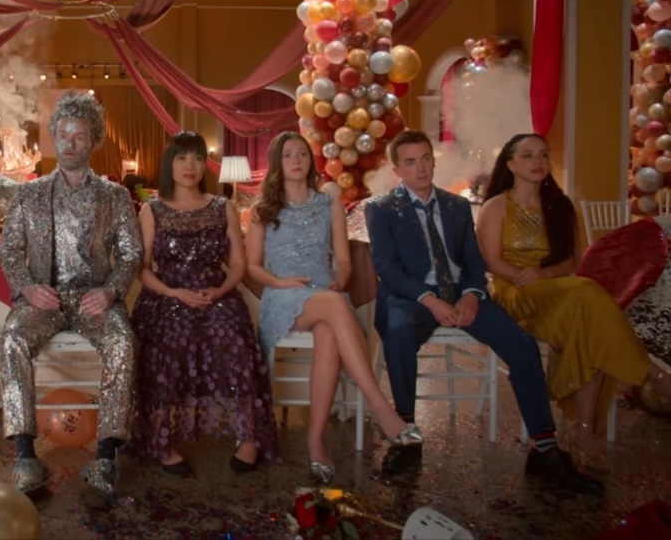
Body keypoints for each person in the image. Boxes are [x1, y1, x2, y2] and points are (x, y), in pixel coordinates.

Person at [365, 130, 602, 493]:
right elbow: (387, 268)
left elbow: (475, 263)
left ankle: (545, 448)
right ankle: (406, 434)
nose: (421, 168)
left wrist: (472, 295)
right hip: (411, 296)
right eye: (410, 162)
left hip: (462, 294)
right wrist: (430, 300)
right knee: (398, 334)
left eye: (426, 158)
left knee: (521, 344)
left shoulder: (457, 206)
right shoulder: (381, 209)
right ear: (397, 170)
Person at [477, 133, 671, 471]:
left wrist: (543, 274)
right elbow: (490, 261)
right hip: (514, 293)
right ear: (510, 164)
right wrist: (523, 276)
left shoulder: (560, 206)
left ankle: (583, 430)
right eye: (527, 156)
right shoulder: (497, 206)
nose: (538, 162)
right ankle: (650, 373)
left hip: (557, 290)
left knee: (587, 318)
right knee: (588, 296)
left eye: (542, 155)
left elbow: (572, 263)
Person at [247, 132, 420, 484]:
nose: (296, 160)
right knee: (334, 306)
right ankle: (380, 407)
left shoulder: (329, 205)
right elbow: (253, 266)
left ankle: (316, 441)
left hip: (325, 293)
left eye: (302, 154)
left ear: (310, 161)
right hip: (284, 295)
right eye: (288, 155)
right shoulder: (263, 209)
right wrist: (281, 282)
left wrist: (340, 281)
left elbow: (343, 262)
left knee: (329, 330)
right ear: (278, 163)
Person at [0, 93, 141, 496]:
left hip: (96, 299)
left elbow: (131, 253)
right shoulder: (29, 194)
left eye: (79, 136)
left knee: (123, 342)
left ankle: (106, 456)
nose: (70, 143)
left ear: (93, 140)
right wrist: (28, 288)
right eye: (63, 135)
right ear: (54, 138)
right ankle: (25, 454)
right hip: (45, 298)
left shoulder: (114, 196)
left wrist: (111, 291)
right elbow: (8, 250)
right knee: (11, 339)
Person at [131, 132, 278, 476]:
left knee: (236, 341)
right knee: (167, 343)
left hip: (216, 293)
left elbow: (238, 265)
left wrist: (220, 290)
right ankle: (162, 439)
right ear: (170, 164)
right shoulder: (152, 209)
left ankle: (249, 438)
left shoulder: (222, 206)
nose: (191, 166)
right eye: (182, 158)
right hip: (166, 296)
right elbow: (142, 269)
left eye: (198, 158)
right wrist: (173, 293)